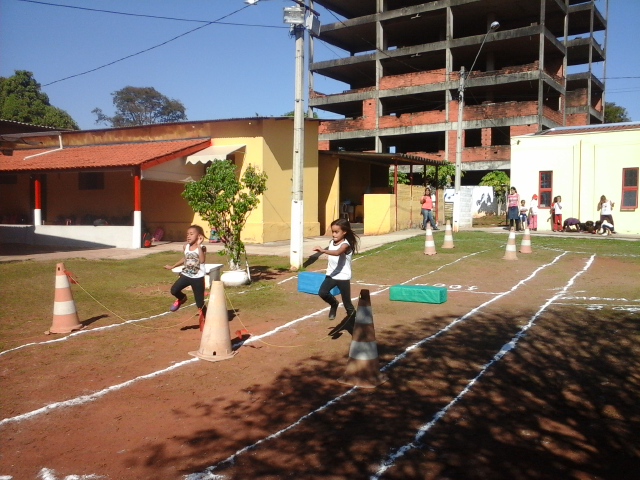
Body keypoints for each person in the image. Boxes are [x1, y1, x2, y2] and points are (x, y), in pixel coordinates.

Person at [314, 218, 359, 321]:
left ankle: (355, 323)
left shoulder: (345, 245)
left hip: (343, 277)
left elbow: (337, 252)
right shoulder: (332, 242)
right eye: (332, 232)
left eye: (336, 232)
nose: (334, 234)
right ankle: (334, 304)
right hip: (332, 275)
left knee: (347, 303)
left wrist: (323, 250)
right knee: (322, 293)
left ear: (344, 232)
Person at [164, 225, 207, 326]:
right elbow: (185, 258)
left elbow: (202, 260)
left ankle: (207, 318)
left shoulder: (202, 248)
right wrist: (173, 266)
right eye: (187, 234)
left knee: (200, 303)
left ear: (199, 236)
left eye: (191, 234)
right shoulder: (185, 247)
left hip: (198, 278)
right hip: (186, 275)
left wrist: (199, 245)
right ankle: (182, 298)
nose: (188, 236)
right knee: (174, 290)